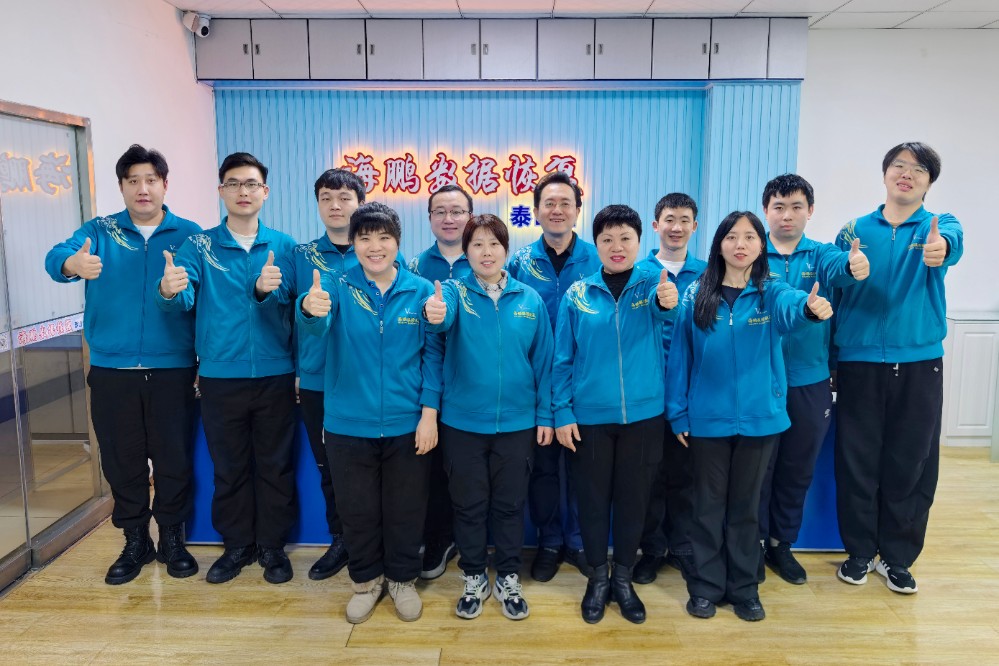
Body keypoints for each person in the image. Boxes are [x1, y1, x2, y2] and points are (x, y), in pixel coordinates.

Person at [44, 144, 201, 585]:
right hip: (112, 371)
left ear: (165, 185)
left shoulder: (190, 235)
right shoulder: (100, 230)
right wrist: (71, 263)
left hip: (172, 369)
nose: (142, 188)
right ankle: (135, 540)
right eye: (133, 181)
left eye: (151, 180)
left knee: (173, 458)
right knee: (121, 461)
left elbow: (197, 296)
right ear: (122, 187)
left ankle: (172, 538)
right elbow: (56, 257)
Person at [666, 211, 832, 623]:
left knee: (746, 507)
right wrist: (679, 413)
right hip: (706, 420)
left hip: (761, 419)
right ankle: (705, 587)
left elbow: (793, 309)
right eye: (732, 236)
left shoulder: (771, 290)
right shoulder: (696, 293)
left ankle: (744, 588)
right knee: (707, 506)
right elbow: (680, 358)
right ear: (719, 244)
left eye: (750, 237)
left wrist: (810, 309)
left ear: (761, 246)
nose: (740, 244)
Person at [157, 152, 298, 585]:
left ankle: (272, 546)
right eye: (234, 183)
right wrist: (169, 289)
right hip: (220, 377)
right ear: (221, 191)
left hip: (275, 374)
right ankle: (237, 545)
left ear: (265, 192)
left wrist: (265, 291)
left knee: (275, 465)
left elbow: (295, 303)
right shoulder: (199, 245)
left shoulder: (284, 246)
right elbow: (183, 298)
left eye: (251, 184)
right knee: (229, 467)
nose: (243, 191)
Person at [298, 202, 438, 624]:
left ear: (397, 242)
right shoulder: (337, 286)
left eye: (384, 237)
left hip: (407, 423)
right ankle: (366, 581)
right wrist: (309, 308)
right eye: (364, 238)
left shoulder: (420, 290)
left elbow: (433, 356)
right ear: (354, 243)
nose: (374, 247)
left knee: (405, 509)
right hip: (348, 423)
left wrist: (429, 414)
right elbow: (317, 325)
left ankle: (402, 580)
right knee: (357, 510)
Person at [833, 142, 963, 595]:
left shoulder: (939, 224)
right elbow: (836, 284)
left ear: (929, 182)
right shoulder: (853, 230)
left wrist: (940, 249)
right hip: (859, 361)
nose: (907, 174)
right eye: (899, 166)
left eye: (918, 169)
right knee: (857, 461)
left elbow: (950, 244)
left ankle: (898, 557)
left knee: (911, 461)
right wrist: (848, 270)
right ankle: (859, 552)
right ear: (885, 173)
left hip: (919, 363)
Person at [422, 214, 553, 621]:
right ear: (466, 252)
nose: (486, 252)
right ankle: (474, 576)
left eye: (494, 244)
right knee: (469, 506)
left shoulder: (529, 300)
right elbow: (440, 320)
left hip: (518, 424)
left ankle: (508, 576)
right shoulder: (454, 293)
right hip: (462, 424)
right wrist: (435, 312)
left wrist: (545, 415)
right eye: (477, 244)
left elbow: (545, 362)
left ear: (506, 250)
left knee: (511, 506)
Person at [553, 204, 679, 624]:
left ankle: (623, 578)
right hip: (589, 419)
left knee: (633, 501)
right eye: (607, 239)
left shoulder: (656, 284)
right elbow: (562, 359)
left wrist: (668, 302)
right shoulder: (578, 294)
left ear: (639, 241)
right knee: (591, 503)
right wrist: (562, 411)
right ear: (597, 245)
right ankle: (597, 578)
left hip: (644, 417)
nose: (617, 246)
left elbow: (669, 312)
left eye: (625, 237)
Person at [757, 174, 869, 585]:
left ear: (810, 211)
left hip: (810, 380)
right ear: (766, 211)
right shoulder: (751, 253)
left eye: (796, 207)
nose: (787, 215)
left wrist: (854, 265)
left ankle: (780, 545)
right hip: (758, 380)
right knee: (757, 470)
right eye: (778, 207)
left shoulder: (822, 254)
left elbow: (842, 269)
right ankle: (752, 544)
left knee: (796, 469)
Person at [272, 168, 367, 581]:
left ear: (360, 204)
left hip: (365, 381)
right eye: (326, 197)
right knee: (330, 467)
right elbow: (281, 311)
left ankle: (371, 541)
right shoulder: (301, 255)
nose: (335, 205)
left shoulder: (379, 252)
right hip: (316, 380)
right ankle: (341, 539)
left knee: (369, 466)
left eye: (345, 197)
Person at [507, 170, 601, 582]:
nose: (557, 210)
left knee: (583, 469)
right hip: (534, 385)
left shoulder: (597, 259)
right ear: (536, 212)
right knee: (543, 469)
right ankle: (549, 541)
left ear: (578, 210)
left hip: (586, 384)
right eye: (549, 203)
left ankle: (578, 541)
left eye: (566, 203)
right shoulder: (519, 262)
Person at [633, 192, 707, 585]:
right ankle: (651, 549)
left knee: (686, 476)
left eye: (684, 220)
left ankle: (683, 547)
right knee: (647, 477)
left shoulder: (709, 274)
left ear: (694, 226)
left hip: (692, 394)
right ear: (655, 225)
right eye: (669, 219)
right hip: (645, 393)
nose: (676, 227)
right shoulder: (637, 272)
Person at [408, 184, 474, 580]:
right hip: (426, 383)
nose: (449, 219)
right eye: (440, 212)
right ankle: (438, 539)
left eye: (457, 211)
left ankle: (468, 542)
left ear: (470, 216)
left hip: (473, 385)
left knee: (467, 472)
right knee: (430, 470)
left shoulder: (486, 258)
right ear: (430, 218)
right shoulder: (414, 265)